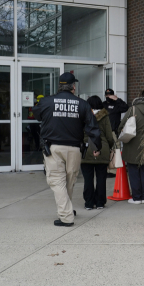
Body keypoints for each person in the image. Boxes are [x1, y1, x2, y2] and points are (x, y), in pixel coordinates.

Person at [32, 72, 101, 227]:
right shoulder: (82, 104)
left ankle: (66, 217)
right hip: (75, 149)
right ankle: (67, 209)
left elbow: (37, 114)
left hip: (54, 148)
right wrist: (97, 146)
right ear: (73, 87)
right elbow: (93, 127)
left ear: (59, 86)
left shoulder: (47, 101)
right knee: (69, 181)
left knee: (57, 181)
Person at [118, 90, 144, 204]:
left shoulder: (133, 109)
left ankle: (136, 197)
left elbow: (121, 125)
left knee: (133, 171)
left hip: (133, 145)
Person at [80, 95, 115, 210]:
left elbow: (79, 133)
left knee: (88, 179)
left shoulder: (83, 116)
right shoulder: (105, 116)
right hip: (102, 148)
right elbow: (109, 136)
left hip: (86, 149)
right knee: (101, 178)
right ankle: (100, 202)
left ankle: (89, 203)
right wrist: (108, 147)